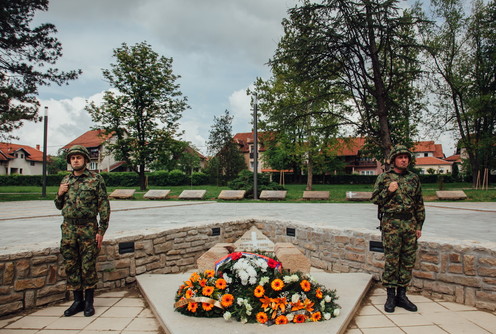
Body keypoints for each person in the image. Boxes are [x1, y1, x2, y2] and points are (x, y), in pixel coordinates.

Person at [55, 145, 110, 317]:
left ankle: (89, 302)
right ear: (70, 161)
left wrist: (101, 230)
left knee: (87, 266)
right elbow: (58, 206)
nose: (75, 160)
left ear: (85, 160)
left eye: (79, 157)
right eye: (72, 158)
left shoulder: (96, 179)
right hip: (69, 229)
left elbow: (104, 207)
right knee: (71, 265)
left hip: (88, 228)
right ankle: (77, 301)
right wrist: (59, 193)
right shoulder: (66, 180)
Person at [371, 145, 425, 313]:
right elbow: (375, 200)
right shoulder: (384, 178)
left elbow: (419, 203)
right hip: (391, 225)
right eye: (400, 157)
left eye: (406, 157)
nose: (404, 160)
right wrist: (389, 191)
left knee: (408, 261)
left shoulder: (414, 178)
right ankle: (390, 296)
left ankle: (402, 295)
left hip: (409, 225)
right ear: (394, 159)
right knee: (392, 260)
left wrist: (419, 225)